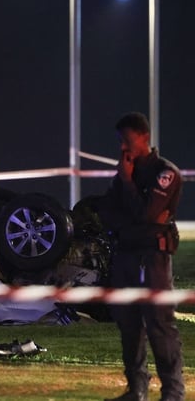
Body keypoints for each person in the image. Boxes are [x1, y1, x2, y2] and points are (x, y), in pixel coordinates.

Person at [98, 112, 184, 401]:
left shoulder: (165, 172)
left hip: (153, 260)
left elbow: (146, 213)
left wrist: (129, 184)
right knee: (129, 324)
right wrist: (135, 218)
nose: (123, 147)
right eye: (120, 141)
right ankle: (137, 389)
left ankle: (173, 391)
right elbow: (107, 213)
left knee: (159, 324)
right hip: (126, 257)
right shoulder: (124, 174)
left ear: (144, 138)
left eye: (127, 140)